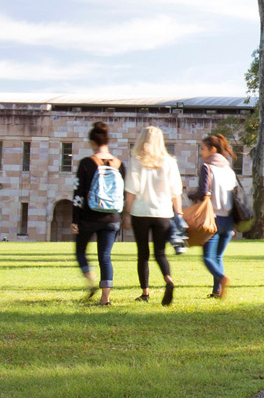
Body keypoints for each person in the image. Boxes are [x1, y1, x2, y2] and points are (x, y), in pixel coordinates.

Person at [124, 126, 183, 306]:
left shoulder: (136, 161)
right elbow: (176, 192)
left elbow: (131, 190)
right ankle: (168, 279)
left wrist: (127, 212)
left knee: (143, 254)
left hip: (140, 212)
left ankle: (145, 292)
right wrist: (178, 213)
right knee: (160, 253)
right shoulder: (170, 162)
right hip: (163, 213)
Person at [71, 121, 126, 306]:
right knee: (105, 256)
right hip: (112, 217)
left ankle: (91, 280)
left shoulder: (87, 163)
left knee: (80, 251)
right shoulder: (119, 164)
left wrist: (75, 219)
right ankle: (105, 298)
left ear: (92, 142)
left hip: (89, 216)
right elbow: (123, 194)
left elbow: (78, 193)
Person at [191, 134, 238, 299]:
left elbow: (203, 192)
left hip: (213, 218)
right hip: (228, 219)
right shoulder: (228, 170)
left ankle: (222, 278)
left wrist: (191, 195)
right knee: (218, 256)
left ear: (212, 149)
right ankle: (217, 291)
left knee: (207, 257)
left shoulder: (207, 167)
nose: (201, 152)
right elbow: (235, 196)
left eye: (202, 149)